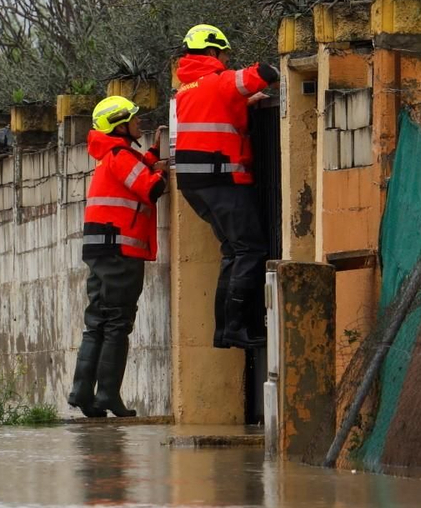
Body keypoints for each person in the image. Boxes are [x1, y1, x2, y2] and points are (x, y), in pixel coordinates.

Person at [172, 24, 278, 349]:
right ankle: (235, 328)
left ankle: (226, 330)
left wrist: (242, 103)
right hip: (224, 178)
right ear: (212, 51)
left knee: (233, 251)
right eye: (225, 54)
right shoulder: (219, 80)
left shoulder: (185, 88)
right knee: (250, 249)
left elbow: (216, 110)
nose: (227, 59)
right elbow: (265, 72)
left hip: (194, 184)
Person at [68, 95, 167, 418]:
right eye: (133, 118)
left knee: (97, 321)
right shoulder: (119, 154)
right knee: (117, 323)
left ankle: (83, 391)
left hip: (102, 249)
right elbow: (150, 188)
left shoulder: (110, 154)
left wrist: (153, 155)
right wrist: (164, 171)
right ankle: (107, 395)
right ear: (119, 125)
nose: (139, 122)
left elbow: (134, 172)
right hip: (120, 251)